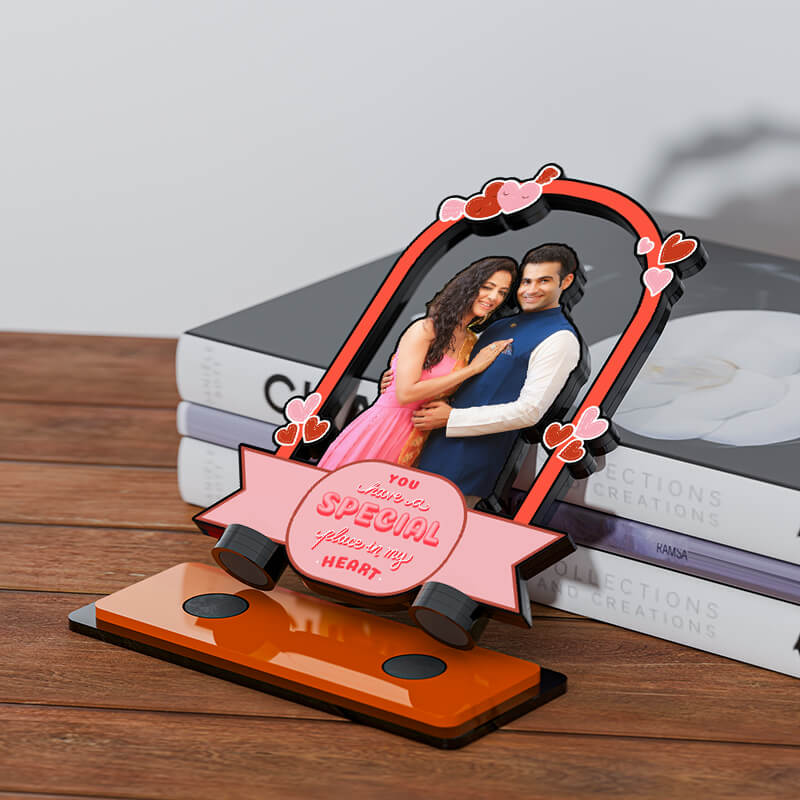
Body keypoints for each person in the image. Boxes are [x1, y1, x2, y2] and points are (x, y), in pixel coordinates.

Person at [411, 243, 583, 507]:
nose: (531, 289)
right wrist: (408, 379)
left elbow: (529, 411)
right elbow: (460, 374)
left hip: (466, 462)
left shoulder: (560, 338)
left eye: (544, 281)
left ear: (566, 281)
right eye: (526, 281)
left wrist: (452, 418)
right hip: (424, 442)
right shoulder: (499, 326)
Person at [317, 257, 517, 471]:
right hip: (383, 431)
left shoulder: (470, 341)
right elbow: (406, 393)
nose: (494, 297)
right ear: (468, 286)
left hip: (422, 439)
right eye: (488, 287)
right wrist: (472, 369)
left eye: (502, 292)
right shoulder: (425, 329)